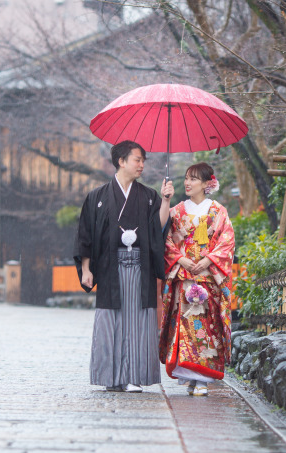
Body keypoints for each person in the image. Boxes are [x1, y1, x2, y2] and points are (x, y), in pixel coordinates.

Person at [74, 140, 174, 393]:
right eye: (137, 159)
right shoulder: (97, 197)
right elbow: (85, 236)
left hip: (139, 268)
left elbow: (157, 229)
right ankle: (111, 376)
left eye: (143, 160)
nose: (141, 165)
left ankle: (133, 377)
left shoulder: (150, 196)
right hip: (109, 268)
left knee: (137, 321)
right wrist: (87, 269)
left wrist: (165, 201)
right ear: (121, 161)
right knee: (111, 321)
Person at [159, 162, 235, 396]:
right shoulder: (177, 210)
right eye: (186, 178)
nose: (187, 183)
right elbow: (166, 239)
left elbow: (227, 241)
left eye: (193, 179)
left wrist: (209, 260)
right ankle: (189, 376)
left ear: (206, 183)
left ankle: (202, 377)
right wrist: (181, 259)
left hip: (208, 276)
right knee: (185, 325)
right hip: (184, 274)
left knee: (208, 326)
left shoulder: (218, 211)